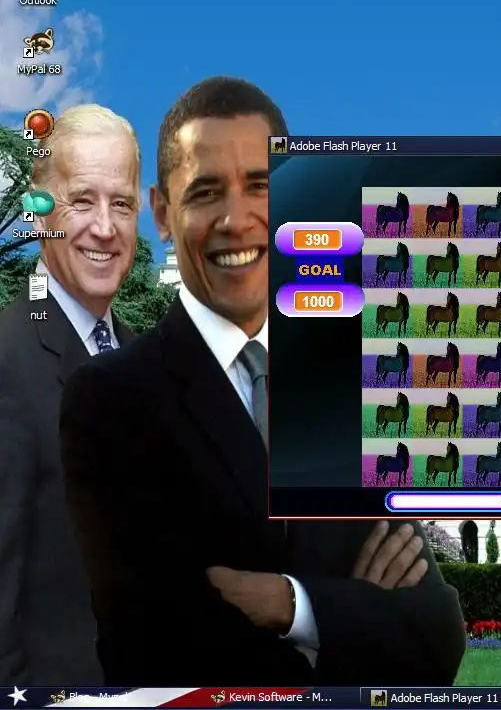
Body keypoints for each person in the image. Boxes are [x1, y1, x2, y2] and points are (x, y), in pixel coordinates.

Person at [59, 77, 467, 686]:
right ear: (162, 214)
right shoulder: (111, 400)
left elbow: (438, 638)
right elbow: (162, 657)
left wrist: (288, 606)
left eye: (260, 186)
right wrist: (360, 615)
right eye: (206, 192)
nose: (236, 219)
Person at [0, 104, 140, 684]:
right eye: (82, 201)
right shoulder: (6, 362)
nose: (105, 227)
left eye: (122, 204)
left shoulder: (144, 361)